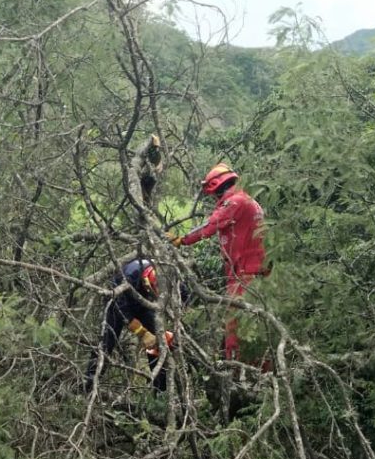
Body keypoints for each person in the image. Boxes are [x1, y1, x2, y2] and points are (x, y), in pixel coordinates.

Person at [168, 163, 267, 364]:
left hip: (245, 273)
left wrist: (181, 239)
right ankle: (258, 370)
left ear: (217, 186)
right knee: (257, 325)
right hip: (254, 272)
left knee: (235, 325)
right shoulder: (248, 200)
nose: (214, 199)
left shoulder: (234, 202)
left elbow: (211, 225)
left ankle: (236, 373)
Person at [84, 259, 173, 394]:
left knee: (159, 337)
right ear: (146, 281)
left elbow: (183, 290)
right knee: (107, 343)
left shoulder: (164, 270)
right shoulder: (131, 275)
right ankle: (89, 385)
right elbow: (122, 310)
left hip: (141, 302)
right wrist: (142, 333)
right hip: (116, 303)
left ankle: (160, 391)